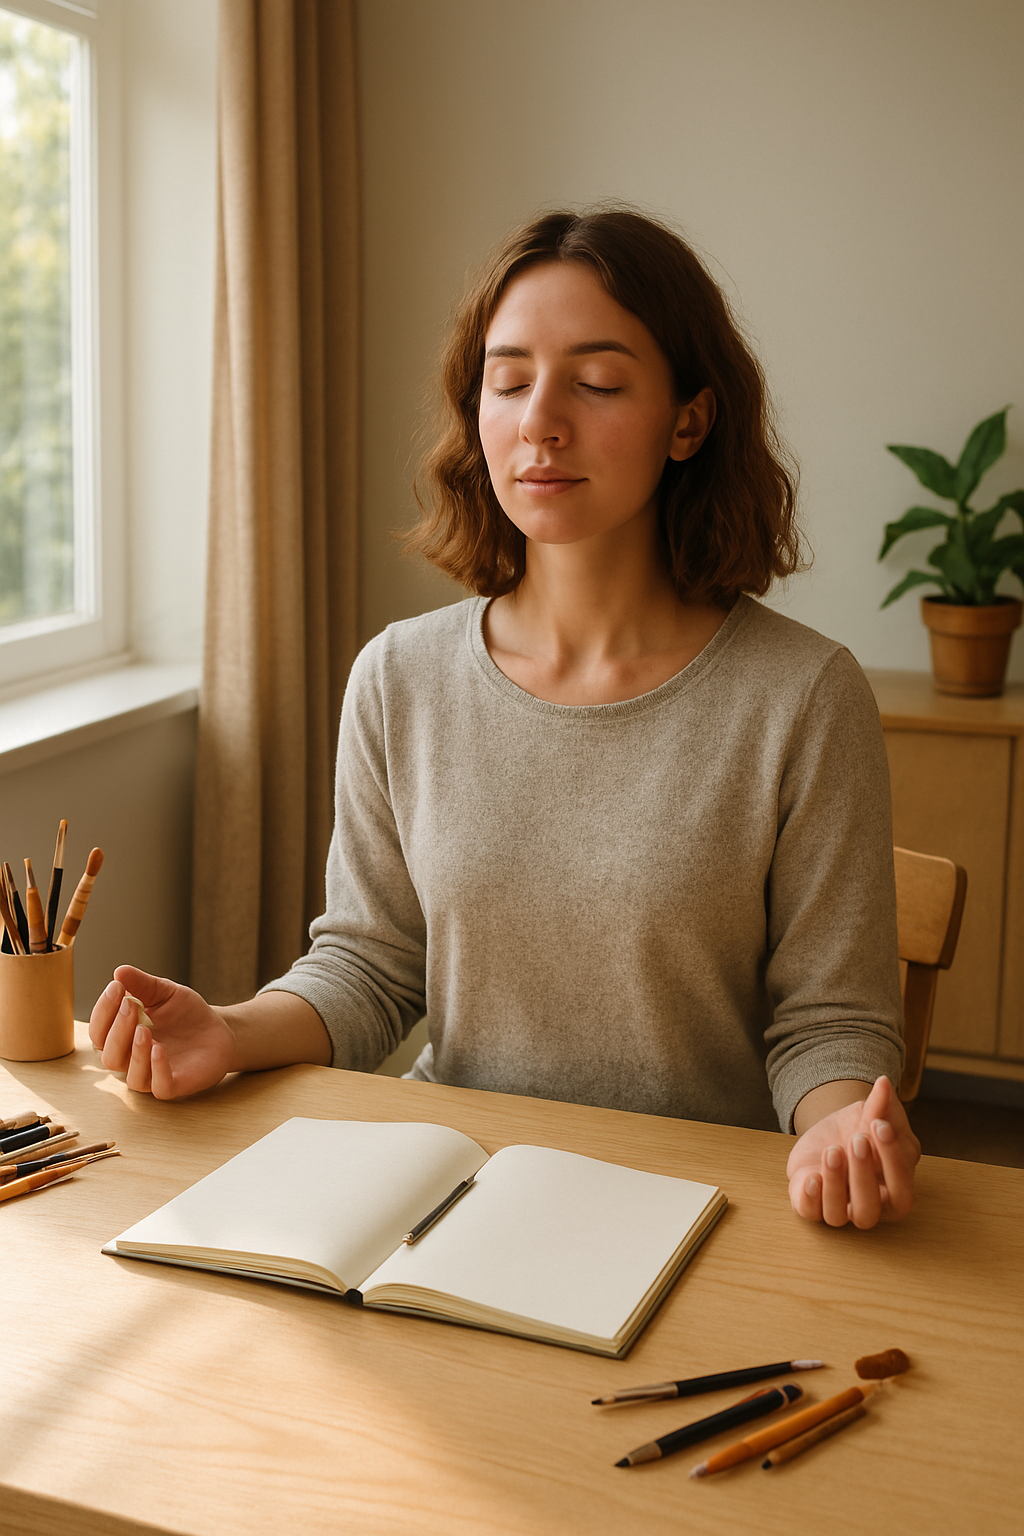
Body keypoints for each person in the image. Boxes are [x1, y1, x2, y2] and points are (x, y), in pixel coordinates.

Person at [91, 208, 920, 1230]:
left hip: (697, 1208)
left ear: (688, 421)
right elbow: (370, 965)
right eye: (509, 377)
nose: (540, 421)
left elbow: (829, 1024)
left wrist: (839, 1126)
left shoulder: (800, 697)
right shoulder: (398, 677)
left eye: (599, 381)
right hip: (458, 1195)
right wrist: (228, 1028)